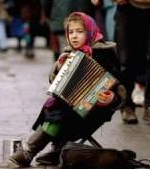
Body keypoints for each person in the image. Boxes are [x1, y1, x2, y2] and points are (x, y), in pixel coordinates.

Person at [8, 12, 126, 167]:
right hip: (68, 107)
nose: (74, 36)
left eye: (79, 31)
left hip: (95, 111)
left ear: (90, 32)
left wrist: (112, 98)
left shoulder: (104, 53)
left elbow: (119, 88)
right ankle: (57, 151)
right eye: (71, 32)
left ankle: (29, 149)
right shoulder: (69, 53)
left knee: (59, 112)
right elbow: (55, 83)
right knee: (57, 106)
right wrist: (58, 67)